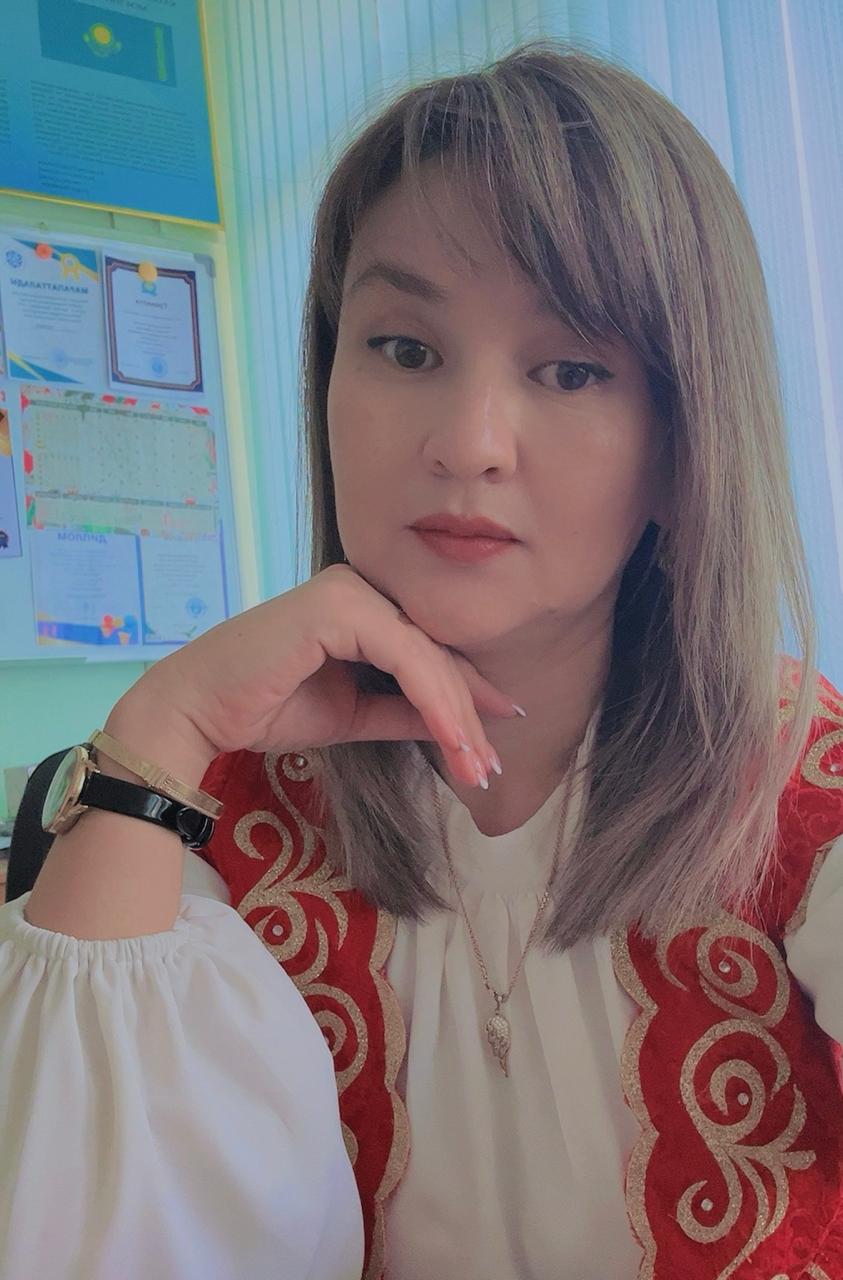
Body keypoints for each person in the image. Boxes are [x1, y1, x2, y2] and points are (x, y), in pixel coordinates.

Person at [1, 38, 842, 1280]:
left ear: (683, 442)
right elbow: (73, 1228)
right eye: (404, 348)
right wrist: (159, 732)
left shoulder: (804, 786)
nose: (468, 441)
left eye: (571, 368)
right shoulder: (219, 806)